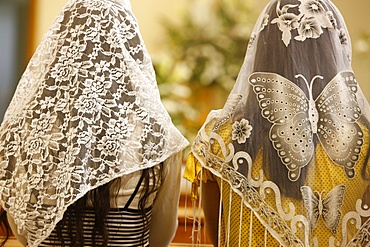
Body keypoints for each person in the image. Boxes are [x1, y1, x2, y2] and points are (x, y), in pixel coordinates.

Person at [0, 0, 188, 246]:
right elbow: (159, 239)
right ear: (129, 53)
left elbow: (27, 234)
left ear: (61, 50)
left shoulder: (25, 134)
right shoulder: (159, 140)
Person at [184, 0, 370, 246]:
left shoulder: (220, 139)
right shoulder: (364, 141)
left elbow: (220, 237)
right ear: (336, 51)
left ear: (261, 51)